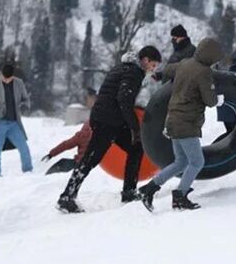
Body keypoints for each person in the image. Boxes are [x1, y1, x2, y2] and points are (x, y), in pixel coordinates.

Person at [57, 46, 162, 214]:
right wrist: (134, 127)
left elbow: (119, 95)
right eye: (154, 65)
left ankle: (128, 191)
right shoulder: (133, 72)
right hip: (106, 121)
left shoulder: (125, 67)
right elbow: (123, 98)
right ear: (145, 60)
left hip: (110, 119)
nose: (153, 69)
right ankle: (67, 197)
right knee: (91, 159)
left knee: (136, 147)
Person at [138, 38, 224, 212]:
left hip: (173, 120)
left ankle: (149, 189)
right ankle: (180, 196)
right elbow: (210, 100)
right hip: (187, 123)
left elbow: (170, 69)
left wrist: (160, 74)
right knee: (197, 162)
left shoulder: (185, 63)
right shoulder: (204, 72)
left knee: (181, 162)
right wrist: (218, 99)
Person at [0, 64, 33, 177]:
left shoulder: (19, 83)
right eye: (4, 78)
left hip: (14, 123)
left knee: (24, 148)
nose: (7, 80)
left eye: (9, 78)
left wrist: (24, 106)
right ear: (0, 74)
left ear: (13, 76)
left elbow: (25, 99)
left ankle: (28, 172)